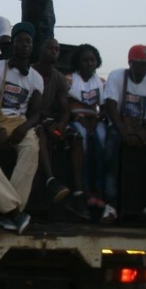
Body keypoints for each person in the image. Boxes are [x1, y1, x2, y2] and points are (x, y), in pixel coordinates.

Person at [0, 22, 43, 234]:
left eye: (29, 42)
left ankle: (10, 212)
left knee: (32, 149)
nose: (25, 45)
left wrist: (24, 129)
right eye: (21, 41)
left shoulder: (36, 78)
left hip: (19, 122)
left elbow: (36, 113)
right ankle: (14, 212)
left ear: (32, 47)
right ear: (13, 43)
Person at [103, 45, 146, 223]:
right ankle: (110, 204)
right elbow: (111, 106)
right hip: (118, 127)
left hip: (142, 127)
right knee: (110, 150)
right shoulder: (117, 76)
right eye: (141, 64)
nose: (145, 68)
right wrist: (124, 132)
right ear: (130, 63)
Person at [65, 44, 107, 219]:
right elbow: (65, 105)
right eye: (85, 60)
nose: (89, 63)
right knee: (82, 141)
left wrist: (96, 120)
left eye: (92, 60)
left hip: (95, 120)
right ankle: (85, 190)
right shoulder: (69, 80)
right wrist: (79, 119)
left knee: (103, 141)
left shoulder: (102, 83)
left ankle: (99, 191)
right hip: (75, 119)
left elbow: (105, 107)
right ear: (78, 63)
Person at [31, 38, 71, 203]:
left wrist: (61, 125)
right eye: (50, 48)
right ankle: (51, 180)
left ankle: (79, 193)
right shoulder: (30, 72)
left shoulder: (59, 78)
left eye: (57, 49)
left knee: (73, 138)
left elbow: (65, 110)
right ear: (41, 51)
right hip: (29, 118)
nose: (54, 51)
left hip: (47, 120)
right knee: (40, 134)